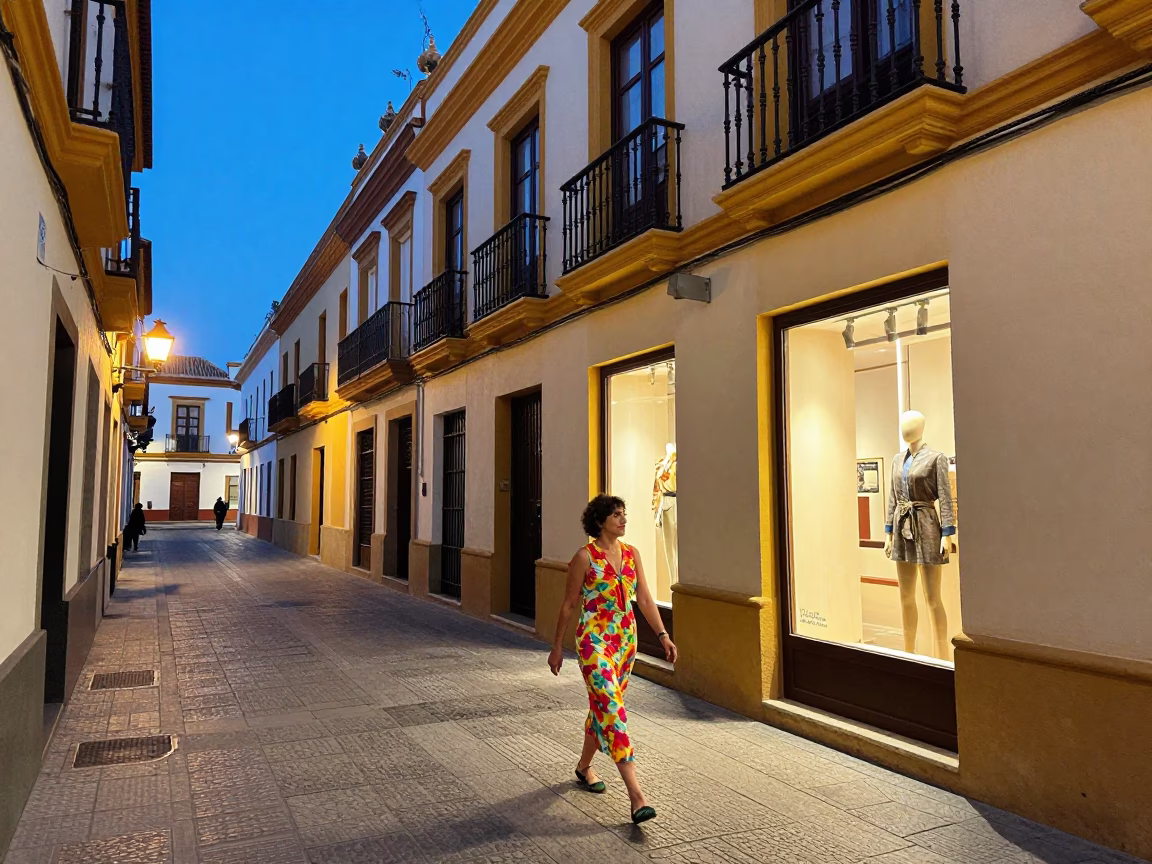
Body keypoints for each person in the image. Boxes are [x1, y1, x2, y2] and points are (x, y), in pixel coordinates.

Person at [548, 494, 678, 826]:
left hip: (625, 642)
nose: (623, 519)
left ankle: (583, 767)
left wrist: (663, 635)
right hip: (593, 642)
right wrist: (557, 646)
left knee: (602, 708)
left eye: (624, 514)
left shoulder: (632, 554)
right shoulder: (584, 558)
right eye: (616, 515)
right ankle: (637, 796)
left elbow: (645, 599)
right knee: (612, 709)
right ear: (600, 521)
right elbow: (568, 604)